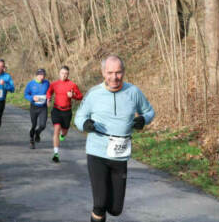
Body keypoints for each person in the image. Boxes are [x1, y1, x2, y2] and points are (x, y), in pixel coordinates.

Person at [74, 55, 155, 222]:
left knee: (116, 209)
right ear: (103, 73)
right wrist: (85, 124)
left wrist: (143, 120)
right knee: (100, 204)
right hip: (97, 152)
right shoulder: (94, 93)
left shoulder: (133, 92)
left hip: (120, 155)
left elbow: (149, 111)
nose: (114, 77)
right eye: (110, 72)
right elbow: (79, 117)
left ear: (124, 72)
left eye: (118, 72)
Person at [46, 66, 83, 162]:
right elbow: (49, 92)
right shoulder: (54, 84)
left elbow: (80, 96)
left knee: (64, 131)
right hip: (56, 110)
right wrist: (49, 98)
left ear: (68, 74)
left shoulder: (72, 84)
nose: (64, 75)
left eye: (66, 73)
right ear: (59, 73)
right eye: (62, 73)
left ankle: (63, 135)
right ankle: (56, 154)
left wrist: (73, 96)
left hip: (67, 111)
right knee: (56, 130)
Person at [24, 69, 50, 149]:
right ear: (37, 75)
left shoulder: (47, 83)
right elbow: (26, 94)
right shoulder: (31, 84)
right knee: (34, 125)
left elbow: (50, 92)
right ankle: (32, 140)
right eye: (40, 75)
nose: (42, 77)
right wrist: (32, 98)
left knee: (42, 125)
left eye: (43, 75)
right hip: (34, 107)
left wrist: (49, 99)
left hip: (43, 107)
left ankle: (37, 133)